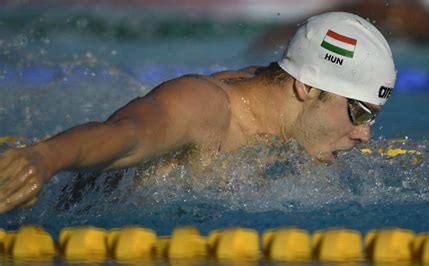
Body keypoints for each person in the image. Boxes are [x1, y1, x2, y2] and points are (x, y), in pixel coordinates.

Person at [0, 12, 396, 213]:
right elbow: (126, 134)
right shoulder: (205, 107)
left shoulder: (295, 133)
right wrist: (44, 157)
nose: (365, 135)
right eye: (359, 113)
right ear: (307, 86)